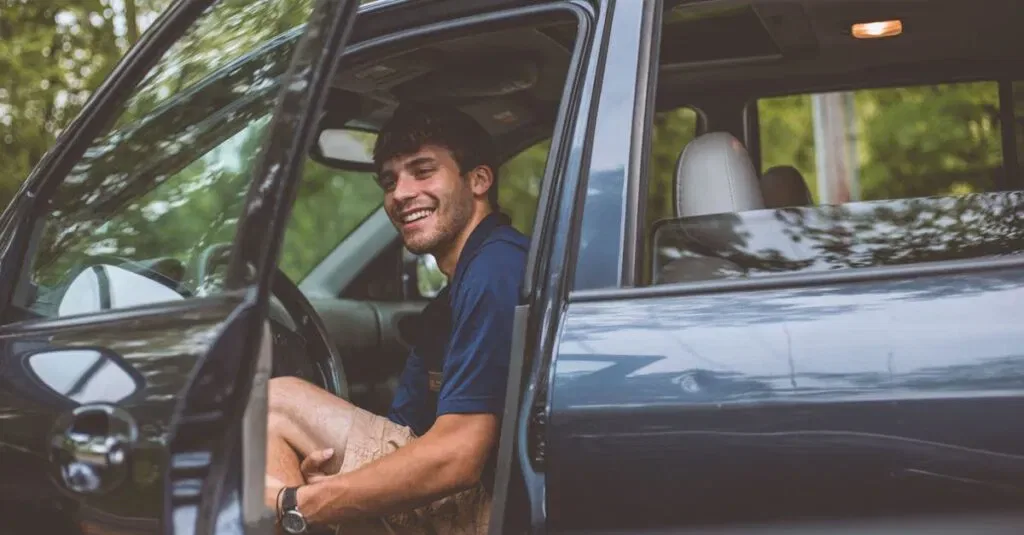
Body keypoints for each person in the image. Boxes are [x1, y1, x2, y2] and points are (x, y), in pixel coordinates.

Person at [264, 103, 529, 535]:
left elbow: (458, 456)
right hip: (468, 495)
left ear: (478, 180)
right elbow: (407, 433)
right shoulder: (449, 300)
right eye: (390, 181)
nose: (401, 193)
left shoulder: (495, 268)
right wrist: (340, 488)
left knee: (274, 403)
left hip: (494, 510)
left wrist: (301, 504)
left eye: (423, 171)